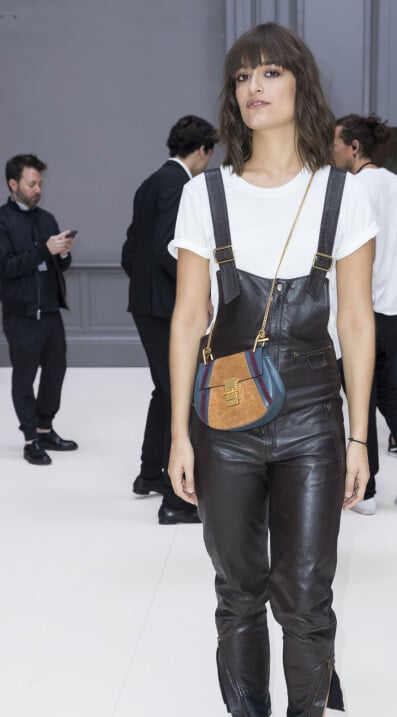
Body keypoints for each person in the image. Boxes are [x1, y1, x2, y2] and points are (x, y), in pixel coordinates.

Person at [167, 23, 376, 717]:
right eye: (243, 75)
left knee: (307, 595)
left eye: (272, 72)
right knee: (237, 590)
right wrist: (179, 437)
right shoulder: (203, 194)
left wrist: (361, 437)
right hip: (225, 416)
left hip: (316, 416)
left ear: (299, 86)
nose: (257, 86)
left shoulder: (342, 192)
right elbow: (189, 319)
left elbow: (356, 322)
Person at [334, 113, 397, 514]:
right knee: (392, 401)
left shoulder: (350, 189)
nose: (331, 149)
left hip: (360, 314)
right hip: (392, 316)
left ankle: (367, 492)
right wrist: (388, 269)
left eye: (336, 142)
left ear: (354, 146)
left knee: (360, 401)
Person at [121, 115, 218, 524]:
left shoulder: (150, 183)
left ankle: (149, 475)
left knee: (165, 390)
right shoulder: (181, 186)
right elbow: (167, 249)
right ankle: (176, 502)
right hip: (166, 308)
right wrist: (194, 296)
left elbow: (131, 250)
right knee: (180, 391)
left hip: (146, 304)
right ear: (201, 151)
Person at [0, 154, 78, 465]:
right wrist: (44, 250)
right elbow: (6, 267)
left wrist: (63, 253)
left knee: (56, 372)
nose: (38, 190)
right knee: (24, 377)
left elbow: (60, 265)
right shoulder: (2, 221)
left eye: (40, 184)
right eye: (32, 184)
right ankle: (30, 438)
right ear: (13, 184)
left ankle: (46, 428)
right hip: (21, 314)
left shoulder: (46, 219)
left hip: (49, 310)